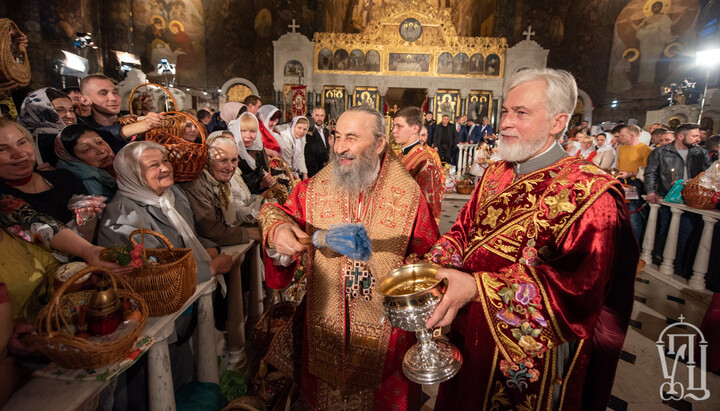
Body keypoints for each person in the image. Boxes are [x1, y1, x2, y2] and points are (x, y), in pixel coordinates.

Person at [424, 68, 638, 410]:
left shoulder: (592, 194)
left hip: (529, 354)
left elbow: (577, 290)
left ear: (557, 122)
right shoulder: (497, 171)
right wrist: (430, 266)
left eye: (521, 113)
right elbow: (463, 231)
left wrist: (477, 288)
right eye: (505, 111)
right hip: (468, 327)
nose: (505, 123)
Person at [259, 106, 439, 409]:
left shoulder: (409, 196)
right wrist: (276, 229)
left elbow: (429, 256)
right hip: (323, 323)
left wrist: (412, 274)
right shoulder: (315, 188)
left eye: (352, 138)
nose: (340, 147)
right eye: (337, 136)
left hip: (385, 334)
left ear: (380, 144)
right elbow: (277, 211)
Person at [98, 141, 233, 281]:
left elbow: (188, 236)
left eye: (165, 160)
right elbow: (147, 270)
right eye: (153, 165)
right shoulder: (123, 212)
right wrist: (209, 269)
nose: (165, 168)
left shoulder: (173, 194)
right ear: (132, 175)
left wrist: (212, 248)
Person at [0, 119, 90, 229]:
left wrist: (89, 218)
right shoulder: (3, 200)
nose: (19, 154)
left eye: (22, 143)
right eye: (2, 149)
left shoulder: (64, 178)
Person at [645, 123, 711, 270]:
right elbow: (651, 173)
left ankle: (679, 265)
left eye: (699, 136)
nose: (698, 139)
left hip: (691, 199)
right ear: (681, 136)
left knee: (686, 231)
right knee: (666, 228)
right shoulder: (661, 152)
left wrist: (688, 183)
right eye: (694, 136)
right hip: (667, 196)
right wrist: (651, 191)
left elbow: (707, 175)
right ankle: (661, 259)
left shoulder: (700, 153)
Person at [180, 132, 260, 246]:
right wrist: (248, 233)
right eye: (223, 160)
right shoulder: (196, 185)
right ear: (208, 160)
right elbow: (211, 231)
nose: (230, 167)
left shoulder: (222, 184)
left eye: (234, 160)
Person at [79, 75, 164, 152]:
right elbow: (105, 135)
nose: (113, 98)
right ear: (85, 100)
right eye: (103, 93)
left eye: (115, 92)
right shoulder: (84, 129)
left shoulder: (129, 118)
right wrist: (144, 125)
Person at [393, 106, 444, 223]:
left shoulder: (425, 161)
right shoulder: (400, 155)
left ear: (415, 129)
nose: (394, 131)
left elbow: (430, 207)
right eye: (394, 126)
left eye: (399, 126)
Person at [16, 88, 76, 167]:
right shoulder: (55, 139)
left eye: (71, 110)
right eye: (60, 110)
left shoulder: (24, 136)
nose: (69, 116)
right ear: (39, 112)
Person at [55, 124, 117, 199]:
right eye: (87, 149)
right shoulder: (88, 184)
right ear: (74, 159)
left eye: (99, 142)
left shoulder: (117, 166)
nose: (101, 150)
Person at [615, 124, 652, 240]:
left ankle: (634, 244)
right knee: (618, 212)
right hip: (621, 182)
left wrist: (630, 174)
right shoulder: (621, 148)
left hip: (633, 184)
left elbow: (647, 171)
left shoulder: (645, 149)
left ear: (631, 135)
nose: (620, 137)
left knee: (632, 212)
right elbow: (619, 166)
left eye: (622, 135)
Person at [229, 112, 276, 195]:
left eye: (252, 131)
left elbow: (266, 170)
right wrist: (261, 185)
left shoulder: (258, 149)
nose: (248, 135)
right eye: (243, 131)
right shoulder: (233, 152)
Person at [305, 107, 330, 177]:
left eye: (322, 116)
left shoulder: (327, 132)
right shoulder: (308, 130)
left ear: (325, 116)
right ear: (312, 115)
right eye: (317, 115)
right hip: (314, 172)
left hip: (327, 172)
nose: (319, 118)